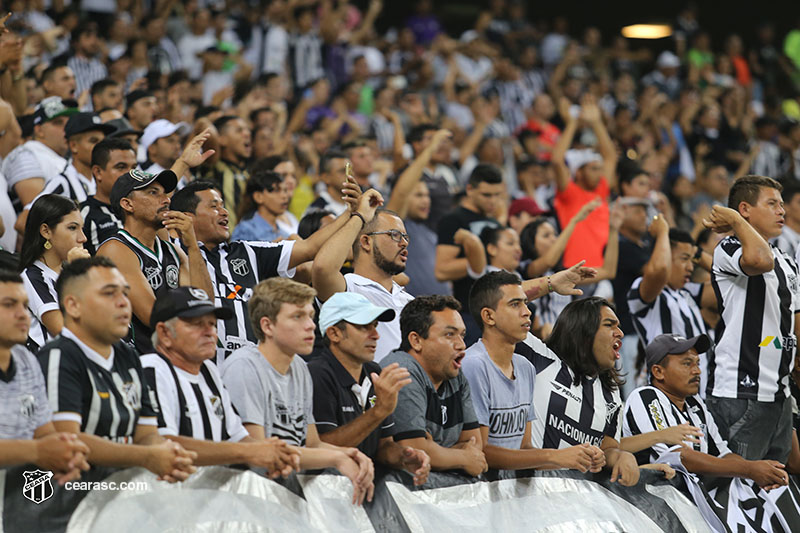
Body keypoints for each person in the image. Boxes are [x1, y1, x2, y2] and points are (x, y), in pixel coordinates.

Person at [38, 257, 198, 482]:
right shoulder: (59, 356)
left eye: (125, 293)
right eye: (109, 293)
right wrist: (147, 457)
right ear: (73, 305)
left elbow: (147, 434)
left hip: (125, 494)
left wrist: (169, 456)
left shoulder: (128, 355)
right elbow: (67, 441)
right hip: (72, 501)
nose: (124, 302)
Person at [169, 178, 362, 362]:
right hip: (204, 365)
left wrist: (351, 213)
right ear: (187, 217)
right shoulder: (171, 253)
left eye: (223, 205)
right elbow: (201, 303)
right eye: (214, 206)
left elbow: (309, 248)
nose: (225, 212)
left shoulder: (249, 251)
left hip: (255, 367)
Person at [221, 278, 375, 505]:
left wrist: (352, 455)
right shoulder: (244, 367)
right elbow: (257, 454)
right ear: (267, 326)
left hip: (283, 494)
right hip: (243, 498)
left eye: (311, 316)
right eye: (297, 316)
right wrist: (337, 457)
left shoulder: (299, 367)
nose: (311, 325)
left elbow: (312, 444)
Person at [141, 287, 301, 477]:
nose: (210, 332)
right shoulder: (151, 369)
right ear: (165, 333)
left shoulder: (209, 371)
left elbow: (238, 437)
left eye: (212, 324)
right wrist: (250, 453)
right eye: (197, 324)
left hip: (209, 489)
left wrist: (275, 455)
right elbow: (164, 444)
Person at [463, 271, 606, 476]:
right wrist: (554, 456)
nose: (527, 311)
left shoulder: (525, 367)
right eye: (515, 304)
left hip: (512, 495)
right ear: (488, 316)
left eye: (525, 303)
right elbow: (480, 451)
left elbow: (525, 449)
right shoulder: (474, 365)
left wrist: (578, 457)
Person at [703, 175, 798, 463]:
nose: (782, 211)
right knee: (737, 487)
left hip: (779, 393)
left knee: (776, 484)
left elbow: (795, 319)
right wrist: (733, 220)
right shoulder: (728, 248)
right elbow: (759, 261)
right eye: (772, 204)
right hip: (740, 391)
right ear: (745, 209)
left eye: (782, 205)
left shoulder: (787, 260)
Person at [621, 333, 788, 490]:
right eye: (687, 363)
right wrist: (749, 469)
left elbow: (723, 455)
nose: (697, 371)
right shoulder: (645, 396)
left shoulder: (695, 402)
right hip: (650, 504)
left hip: (686, 501)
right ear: (658, 372)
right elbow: (680, 458)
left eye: (697, 363)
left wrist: (761, 472)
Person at [515, 298, 642, 486]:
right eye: (609, 325)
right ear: (583, 332)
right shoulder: (539, 357)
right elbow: (498, 302)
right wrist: (548, 285)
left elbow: (608, 449)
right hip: (526, 494)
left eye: (619, 326)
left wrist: (622, 457)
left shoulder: (612, 393)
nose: (620, 333)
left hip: (576, 505)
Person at [308, 291, 431, 485]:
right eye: (364, 327)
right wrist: (378, 412)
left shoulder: (374, 371)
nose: (376, 335)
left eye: (375, 326)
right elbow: (322, 448)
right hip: (326, 497)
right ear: (334, 333)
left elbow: (384, 446)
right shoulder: (316, 374)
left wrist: (404, 457)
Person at [97, 168, 213, 354]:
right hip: (140, 363)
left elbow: (206, 305)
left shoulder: (173, 251)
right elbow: (153, 316)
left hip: (176, 356)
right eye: (153, 193)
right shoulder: (116, 249)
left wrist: (192, 247)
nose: (166, 200)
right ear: (128, 204)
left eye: (165, 194)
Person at [380, 295, 488, 477]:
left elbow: (475, 444)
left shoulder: (454, 374)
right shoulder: (401, 370)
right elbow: (414, 451)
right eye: (449, 334)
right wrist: (462, 458)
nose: (461, 345)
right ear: (416, 341)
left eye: (461, 335)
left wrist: (433, 448)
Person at [0, 269, 90, 484]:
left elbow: (44, 430)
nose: (23, 314)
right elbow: (40, 447)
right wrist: (37, 452)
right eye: (9, 304)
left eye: (24, 304)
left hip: (15, 496)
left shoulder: (27, 360)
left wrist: (67, 454)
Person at [313, 189, 414, 362]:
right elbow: (322, 268)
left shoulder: (411, 301)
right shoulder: (347, 289)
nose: (404, 243)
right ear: (366, 242)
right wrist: (358, 216)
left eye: (405, 237)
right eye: (395, 235)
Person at [627, 229, 716, 392]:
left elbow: (729, 281)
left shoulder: (687, 292)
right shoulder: (647, 292)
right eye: (684, 259)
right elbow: (660, 268)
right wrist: (662, 230)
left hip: (698, 398)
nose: (690, 267)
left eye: (692, 260)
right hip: (665, 396)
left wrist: (696, 252)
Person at [435, 164, 504, 342]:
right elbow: (442, 270)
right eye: (486, 195)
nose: (493, 201)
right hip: (470, 312)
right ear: (469, 189)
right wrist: (478, 261)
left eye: (497, 195)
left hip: (499, 309)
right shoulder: (454, 220)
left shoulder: (494, 222)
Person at [551, 95, 618, 270]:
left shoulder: (601, 190)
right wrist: (572, 123)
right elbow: (557, 160)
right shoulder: (570, 193)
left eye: (599, 168)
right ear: (578, 173)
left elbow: (610, 157)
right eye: (593, 169)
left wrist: (596, 123)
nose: (599, 174)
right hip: (573, 271)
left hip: (601, 270)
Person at [19, 195, 89, 352]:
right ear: (46, 231)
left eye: (82, 228)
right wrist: (77, 273)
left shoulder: (65, 272)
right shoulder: (32, 277)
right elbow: (66, 332)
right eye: (72, 228)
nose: (82, 238)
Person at [2, 97, 78, 209]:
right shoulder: (26, 155)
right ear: (39, 130)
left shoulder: (66, 157)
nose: (66, 128)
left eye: (69, 122)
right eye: (58, 123)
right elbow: (38, 214)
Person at [80, 138, 137, 255]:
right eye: (121, 167)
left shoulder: (141, 210)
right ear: (98, 172)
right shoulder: (83, 216)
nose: (131, 174)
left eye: (134, 168)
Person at [200, 116, 252, 228]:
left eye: (247, 130)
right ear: (222, 139)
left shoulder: (248, 171)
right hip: (226, 239)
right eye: (239, 130)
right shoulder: (214, 166)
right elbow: (203, 123)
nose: (247, 133)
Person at [231, 169, 291, 242]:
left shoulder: (285, 234)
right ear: (258, 197)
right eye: (276, 190)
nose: (284, 196)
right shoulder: (245, 231)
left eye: (285, 191)